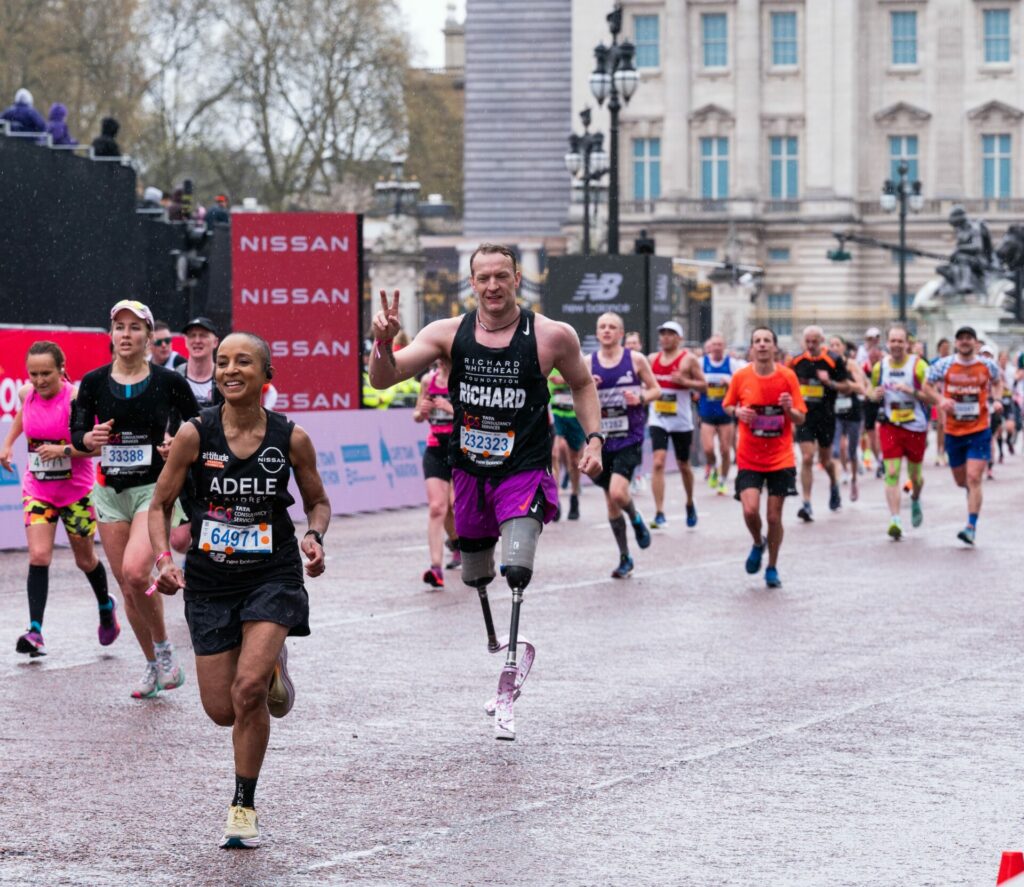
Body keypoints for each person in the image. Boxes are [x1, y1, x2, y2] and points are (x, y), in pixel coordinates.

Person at [368, 243, 603, 740]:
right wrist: (380, 343)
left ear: (517, 278)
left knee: (517, 567)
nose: (493, 286)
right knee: (476, 574)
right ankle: (495, 636)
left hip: (524, 468)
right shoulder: (445, 334)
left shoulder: (550, 336)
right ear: (471, 283)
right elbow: (385, 379)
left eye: (501, 276)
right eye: (483, 278)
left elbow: (582, 384)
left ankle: (509, 678)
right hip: (469, 472)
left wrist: (594, 439)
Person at [149, 332, 330, 849]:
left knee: (248, 692)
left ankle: (243, 806)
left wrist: (314, 537)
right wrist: (164, 558)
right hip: (209, 581)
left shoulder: (290, 437)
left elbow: (317, 501)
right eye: (222, 362)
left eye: (242, 362)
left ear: (265, 373)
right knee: (222, 709)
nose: (229, 370)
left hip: (271, 574)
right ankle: (272, 663)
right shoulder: (193, 434)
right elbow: (160, 504)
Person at [71, 299, 199, 697]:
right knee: (128, 588)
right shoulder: (93, 382)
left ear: (147, 336)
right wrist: (88, 439)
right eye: (119, 327)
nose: (126, 335)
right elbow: (77, 432)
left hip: (153, 492)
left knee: (134, 571)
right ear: (111, 335)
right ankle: (152, 666)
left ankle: (164, 650)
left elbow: (194, 422)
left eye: (134, 328)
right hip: (110, 493)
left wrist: (173, 440)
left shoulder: (167, 381)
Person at [0, 342, 118, 656]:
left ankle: (106, 607)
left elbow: (98, 446)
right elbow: (23, 416)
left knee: (85, 560)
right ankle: (35, 631)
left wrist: (63, 450)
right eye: (33, 374)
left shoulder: (78, 399)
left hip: (76, 492)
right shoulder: (27, 394)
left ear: (61, 369)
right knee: (38, 556)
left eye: (46, 374)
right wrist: (9, 443)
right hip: (38, 490)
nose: (39, 381)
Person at [722, 327, 806, 589]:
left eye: (766, 341)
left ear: (774, 347)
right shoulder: (741, 376)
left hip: (780, 456)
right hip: (749, 455)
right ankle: (758, 542)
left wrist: (787, 408)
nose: (761, 345)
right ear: (751, 348)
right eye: (757, 341)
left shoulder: (787, 377)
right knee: (749, 510)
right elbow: (727, 405)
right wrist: (738, 412)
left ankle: (771, 566)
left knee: (773, 517)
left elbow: (801, 417)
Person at [591, 312, 659, 575]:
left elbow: (656, 389)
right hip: (602, 439)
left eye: (612, 327)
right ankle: (625, 557)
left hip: (629, 436)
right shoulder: (588, 362)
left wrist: (640, 397)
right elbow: (577, 394)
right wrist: (588, 387)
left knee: (619, 493)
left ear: (621, 334)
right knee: (610, 502)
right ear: (597, 333)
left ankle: (636, 518)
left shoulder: (635, 359)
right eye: (602, 327)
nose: (607, 331)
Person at [926, 326, 1002, 545]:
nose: (965, 342)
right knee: (962, 481)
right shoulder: (944, 365)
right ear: (956, 342)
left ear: (975, 343)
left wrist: (996, 399)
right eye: (961, 339)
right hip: (953, 431)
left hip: (979, 430)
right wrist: (941, 400)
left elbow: (997, 382)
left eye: (969, 338)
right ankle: (972, 492)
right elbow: (927, 385)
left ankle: (971, 526)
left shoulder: (987, 365)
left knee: (974, 477)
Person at [866, 326, 936, 539]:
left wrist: (912, 391)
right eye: (893, 341)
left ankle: (915, 498)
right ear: (887, 343)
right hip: (891, 425)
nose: (896, 344)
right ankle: (895, 518)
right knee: (892, 473)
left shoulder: (919, 366)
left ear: (907, 343)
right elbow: (871, 392)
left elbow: (933, 398)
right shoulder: (880, 367)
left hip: (915, 426)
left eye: (900, 341)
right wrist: (874, 394)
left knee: (915, 476)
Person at [788, 326, 853, 520]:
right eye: (807, 341)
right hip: (805, 416)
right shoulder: (797, 361)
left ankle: (834, 485)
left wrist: (830, 383)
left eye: (814, 341)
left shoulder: (833, 359)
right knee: (807, 458)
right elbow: (789, 383)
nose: (810, 345)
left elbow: (847, 387)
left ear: (821, 340)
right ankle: (806, 504)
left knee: (825, 461)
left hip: (826, 417)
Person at [646, 321, 702, 528]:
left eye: (671, 334)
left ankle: (689, 502)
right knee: (658, 462)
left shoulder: (688, 360)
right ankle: (659, 511)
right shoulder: (652, 359)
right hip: (658, 417)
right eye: (663, 333)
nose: (666, 337)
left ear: (679, 338)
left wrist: (686, 382)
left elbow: (704, 386)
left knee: (683, 465)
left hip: (681, 420)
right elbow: (644, 382)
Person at [413, 360, 459, 587]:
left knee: (455, 504)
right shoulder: (427, 381)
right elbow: (417, 415)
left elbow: (476, 416)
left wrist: (450, 408)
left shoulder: (463, 379)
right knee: (437, 507)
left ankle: (459, 543)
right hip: (435, 448)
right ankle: (436, 567)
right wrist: (422, 412)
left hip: (461, 449)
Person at [697, 332, 743, 498]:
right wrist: (702, 384)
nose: (716, 347)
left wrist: (729, 383)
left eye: (719, 344)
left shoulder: (732, 364)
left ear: (724, 347)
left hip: (725, 411)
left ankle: (723, 480)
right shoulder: (701, 363)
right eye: (714, 344)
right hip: (707, 411)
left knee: (725, 449)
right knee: (708, 448)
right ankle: (713, 467)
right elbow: (694, 383)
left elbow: (740, 384)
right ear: (709, 347)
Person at [829, 336, 868, 503]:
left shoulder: (851, 365)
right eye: (831, 345)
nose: (834, 348)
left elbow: (861, 388)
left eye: (837, 345)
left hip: (852, 412)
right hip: (835, 412)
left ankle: (853, 480)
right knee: (836, 450)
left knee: (852, 451)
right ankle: (835, 486)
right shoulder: (827, 365)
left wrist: (844, 384)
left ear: (844, 347)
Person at [549, 367, 584, 520]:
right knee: (553, 454)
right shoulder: (548, 359)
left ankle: (574, 496)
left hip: (574, 416)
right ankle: (555, 500)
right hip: (555, 413)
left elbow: (585, 381)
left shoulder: (576, 358)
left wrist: (565, 380)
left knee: (575, 461)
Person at [177, 317, 221, 407]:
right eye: (192, 335)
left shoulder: (223, 377)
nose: (197, 341)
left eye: (203, 335)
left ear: (215, 342)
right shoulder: (175, 376)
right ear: (185, 341)